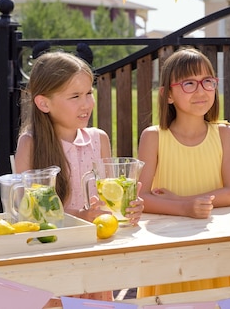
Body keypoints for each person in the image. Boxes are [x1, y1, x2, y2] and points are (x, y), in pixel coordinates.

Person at [14, 51, 144, 303]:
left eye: (88, 93)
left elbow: (106, 205)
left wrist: (128, 211)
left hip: (93, 262)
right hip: (51, 265)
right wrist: (79, 219)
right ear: (44, 103)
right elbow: (25, 216)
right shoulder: (30, 144)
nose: (86, 104)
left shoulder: (99, 139)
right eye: (75, 96)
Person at [136, 47, 230, 297]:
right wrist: (185, 208)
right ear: (168, 94)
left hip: (216, 245)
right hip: (169, 248)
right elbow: (141, 198)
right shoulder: (153, 137)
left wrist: (176, 201)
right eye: (188, 83)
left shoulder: (224, 133)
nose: (201, 90)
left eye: (207, 81)